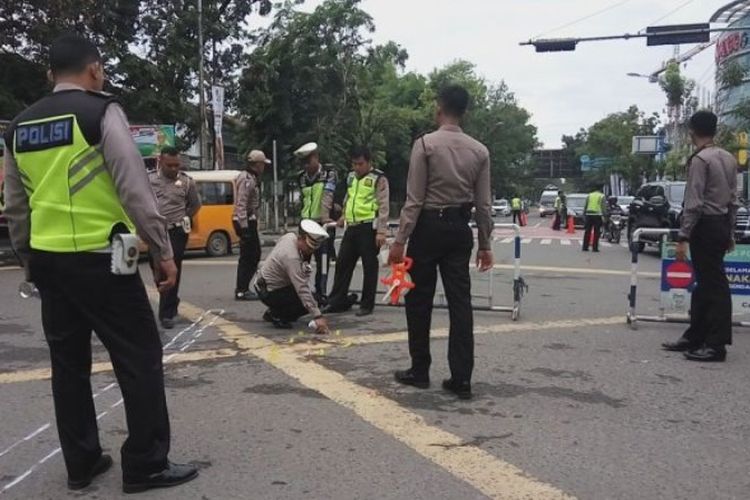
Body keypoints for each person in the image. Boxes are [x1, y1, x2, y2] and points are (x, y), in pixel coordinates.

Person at [2, 34, 197, 493]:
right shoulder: (100, 112)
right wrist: (163, 252)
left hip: (51, 264)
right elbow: (134, 188)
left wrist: (29, 260)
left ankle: (81, 462)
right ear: (94, 70)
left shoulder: (19, 128)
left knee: (68, 367)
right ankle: (146, 464)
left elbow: (15, 205)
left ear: (51, 75)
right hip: (103, 261)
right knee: (140, 358)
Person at [389, 85, 493, 400]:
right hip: (460, 229)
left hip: (427, 228)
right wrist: (485, 243)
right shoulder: (480, 151)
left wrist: (399, 240)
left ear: (439, 109)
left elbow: (414, 199)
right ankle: (461, 377)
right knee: (460, 303)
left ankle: (420, 370)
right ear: (464, 112)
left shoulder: (425, 145)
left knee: (419, 301)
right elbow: (484, 204)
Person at [662, 111, 738, 362]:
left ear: (692, 131)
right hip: (719, 225)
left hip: (704, 225)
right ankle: (695, 336)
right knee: (705, 283)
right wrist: (730, 231)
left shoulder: (700, 160)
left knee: (714, 285)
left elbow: (693, 202)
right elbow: (733, 200)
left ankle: (716, 345)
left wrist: (683, 236)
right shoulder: (728, 157)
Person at [324, 146, 390, 317]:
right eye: (354, 164)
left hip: (369, 226)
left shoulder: (378, 178)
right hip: (351, 226)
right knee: (343, 263)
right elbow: (348, 198)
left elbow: (383, 206)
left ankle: (367, 304)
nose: (357, 167)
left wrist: (381, 231)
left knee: (369, 266)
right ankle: (337, 299)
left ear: (369, 162)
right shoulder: (351, 177)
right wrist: (343, 217)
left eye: (360, 164)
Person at [148, 147, 201, 329]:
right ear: (161, 162)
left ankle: (167, 313)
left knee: (172, 269)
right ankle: (172, 299)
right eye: (169, 165)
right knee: (157, 270)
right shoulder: (150, 180)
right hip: (156, 232)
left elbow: (195, 205)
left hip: (176, 231)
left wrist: (184, 217)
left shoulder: (187, 182)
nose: (173, 168)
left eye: (176, 165)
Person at [255, 220, 331, 333]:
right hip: (269, 291)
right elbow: (302, 288)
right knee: (311, 301)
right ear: (301, 238)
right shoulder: (291, 257)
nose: (311, 252)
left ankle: (274, 311)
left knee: (315, 298)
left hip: (267, 285)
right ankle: (279, 315)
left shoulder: (290, 237)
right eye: (309, 248)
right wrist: (317, 316)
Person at [294, 142, 337, 301]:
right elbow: (304, 200)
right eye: (303, 162)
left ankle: (321, 294)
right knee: (302, 261)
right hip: (305, 224)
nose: (306, 165)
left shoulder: (328, 174)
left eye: (308, 161)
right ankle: (302, 293)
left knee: (322, 261)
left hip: (321, 224)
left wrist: (326, 218)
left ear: (316, 158)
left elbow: (327, 196)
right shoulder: (301, 177)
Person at [232, 149, 270, 301]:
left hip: (248, 220)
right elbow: (241, 203)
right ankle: (241, 289)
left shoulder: (252, 177)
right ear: (257, 164)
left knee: (253, 255)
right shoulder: (247, 179)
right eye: (262, 164)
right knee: (249, 256)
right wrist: (244, 227)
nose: (264, 167)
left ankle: (243, 287)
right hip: (245, 221)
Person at [582, 186, 606, 252]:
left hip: (588, 215)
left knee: (587, 231)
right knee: (596, 232)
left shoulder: (589, 195)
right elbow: (603, 207)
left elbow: (586, 205)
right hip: (597, 216)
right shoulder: (601, 196)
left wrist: (583, 214)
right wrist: (605, 216)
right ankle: (595, 248)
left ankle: (585, 247)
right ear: (600, 190)